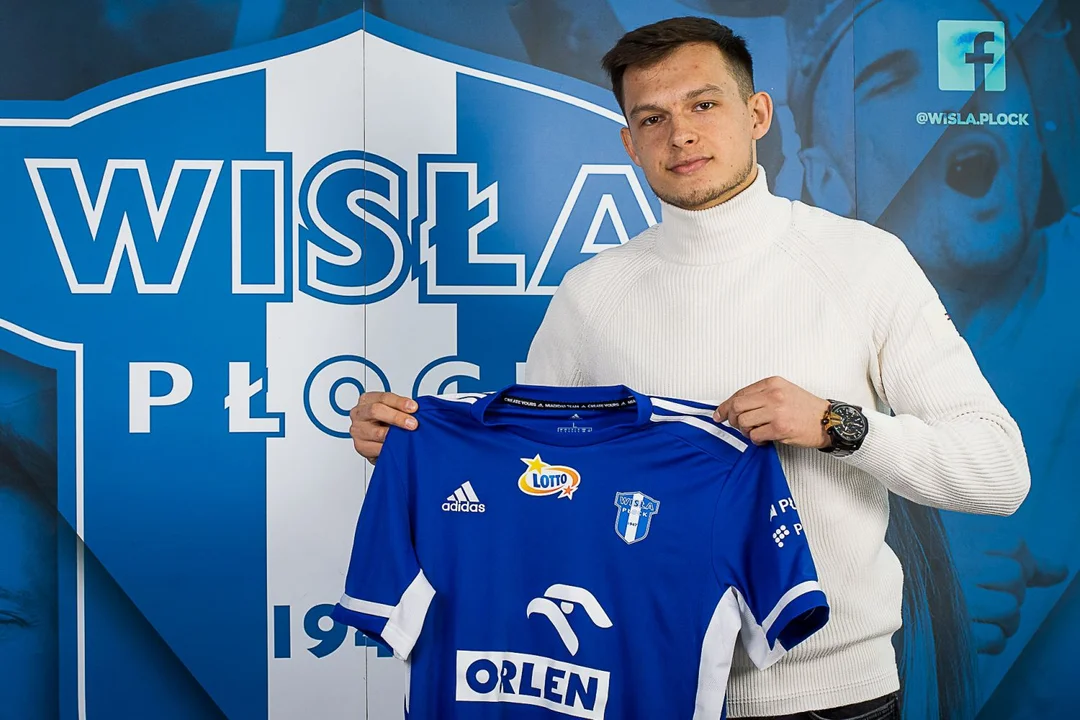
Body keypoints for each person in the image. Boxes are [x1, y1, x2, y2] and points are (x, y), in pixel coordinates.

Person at [348, 16, 1030, 720]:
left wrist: (835, 424)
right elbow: (533, 484)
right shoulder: (592, 294)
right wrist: (408, 446)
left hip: (831, 696)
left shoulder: (866, 264)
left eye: (703, 104)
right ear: (630, 143)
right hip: (635, 689)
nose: (681, 135)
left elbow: (1000, 471)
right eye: (653, 118)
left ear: (757, 114)